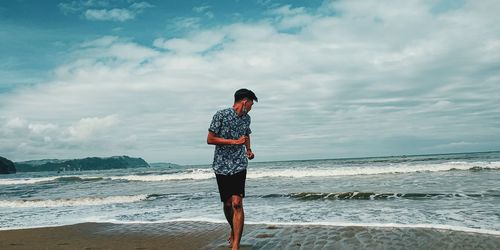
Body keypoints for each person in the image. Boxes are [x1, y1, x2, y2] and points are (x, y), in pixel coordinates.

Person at [207, 88, 257, 250]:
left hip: (239, 164)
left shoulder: (247, 119)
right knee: (228, 205)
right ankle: (233, 228)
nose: (250, 107)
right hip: (221, 165)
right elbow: (210, 139)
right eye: (250, 104)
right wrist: (234, 142)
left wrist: (248, 150)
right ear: (244, 101)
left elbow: (246, 135)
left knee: (237, 203)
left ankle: (236, 244)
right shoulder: (220, 115)